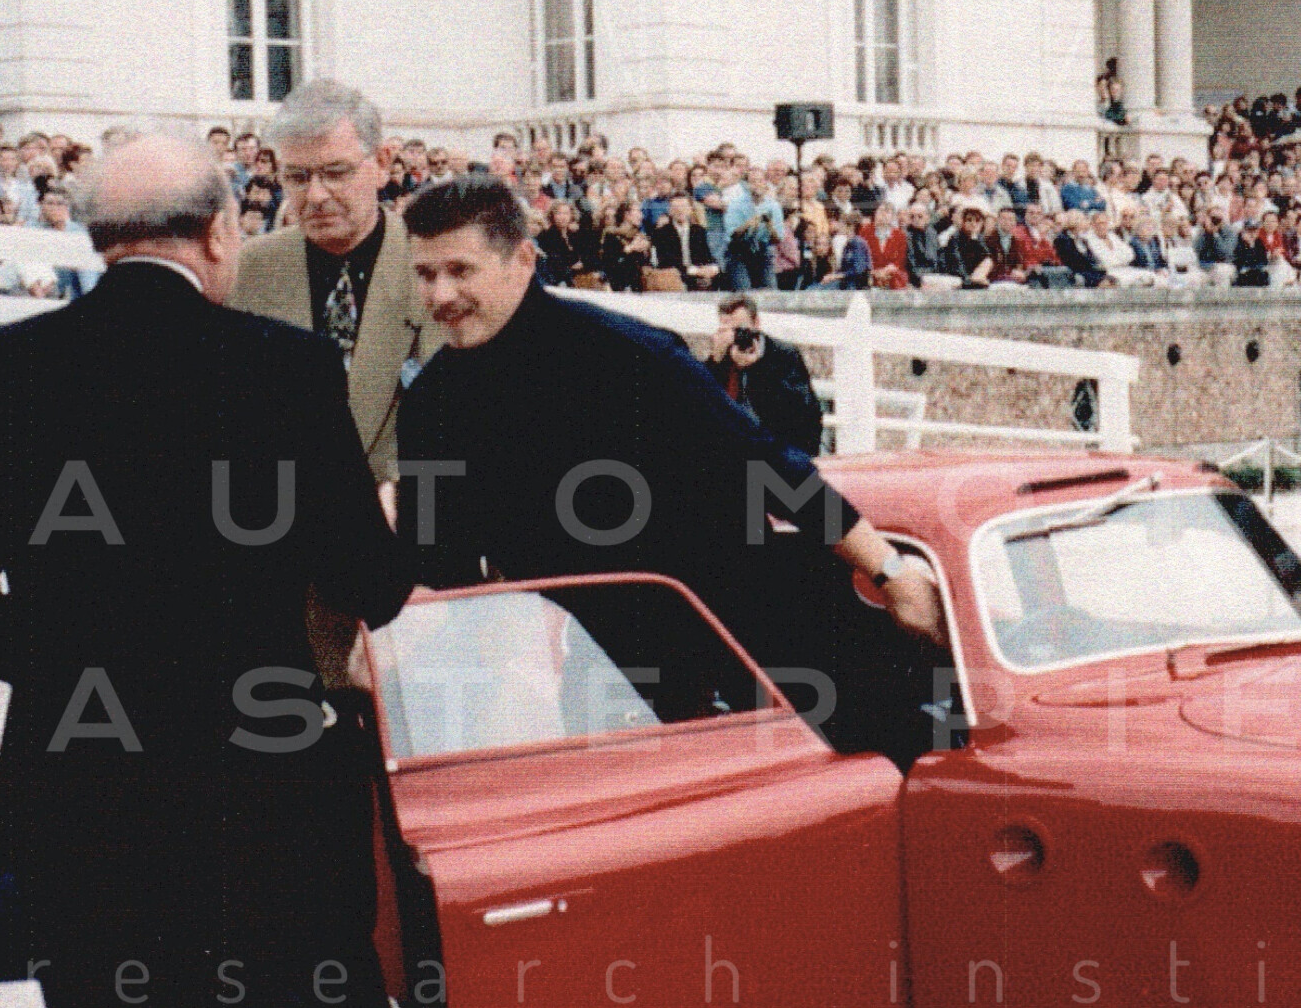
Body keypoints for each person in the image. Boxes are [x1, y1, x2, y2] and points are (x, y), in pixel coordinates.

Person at [0, 136, 413, 1008]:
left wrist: (63, 658)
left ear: (97, 240)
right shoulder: (287, 369)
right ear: (218, 233)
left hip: (81, 798)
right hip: (260, 796)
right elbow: (371, 583)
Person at [397, 175, 946, 764]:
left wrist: (890, 572)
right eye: (426, 274)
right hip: (606, 667)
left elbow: (764, 464)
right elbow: (442, 573)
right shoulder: (430, 405)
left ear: (523, 261)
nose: (440, 295)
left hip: (755, 635)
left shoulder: (626, 353)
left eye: (460, 271)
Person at [232, 81, 427, 666]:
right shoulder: (246, 270)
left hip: (416, 587)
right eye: (297, 177)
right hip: (278, 592)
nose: (314, 195)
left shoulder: (439, 263)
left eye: (336, 173)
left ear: (383, 162)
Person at [706, 293, 825, 455]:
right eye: (728, 331)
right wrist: (715, 361)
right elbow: (705, 402)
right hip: (736, 446)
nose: (736, 337)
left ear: (756, 323)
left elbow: (797, 411)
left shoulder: (783, 354)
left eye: (740, 330)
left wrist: (756, 367)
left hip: (779, 446)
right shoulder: (723, 354)